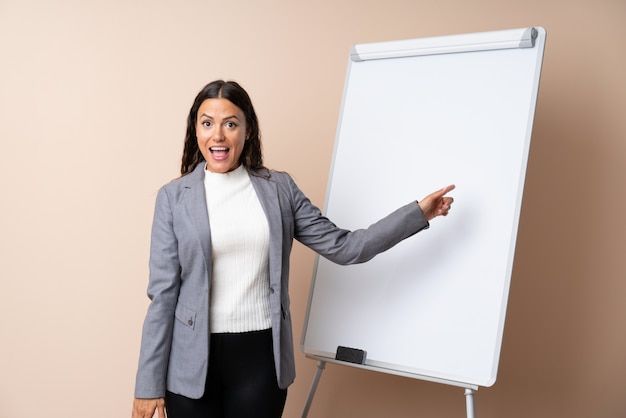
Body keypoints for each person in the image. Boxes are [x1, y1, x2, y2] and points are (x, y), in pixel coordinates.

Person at [131, 80, 454, 418]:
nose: (218, 135)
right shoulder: (173, 198)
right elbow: (163, 295)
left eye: (230, 123)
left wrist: (417, 213)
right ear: (195, 130)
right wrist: (147, 383)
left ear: (248, 130)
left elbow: (347, 247)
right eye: (207, 123)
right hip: (190, 363)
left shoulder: (279, 189)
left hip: (259, 361)